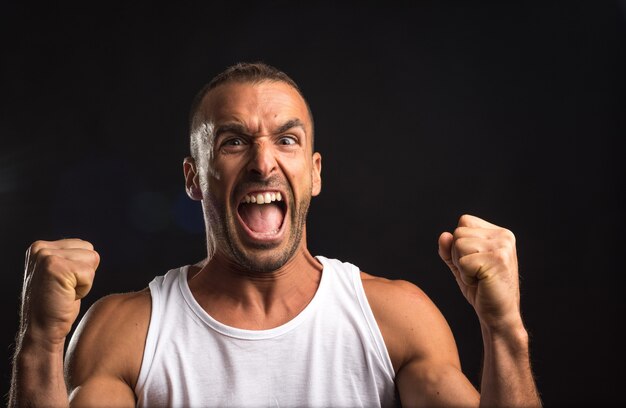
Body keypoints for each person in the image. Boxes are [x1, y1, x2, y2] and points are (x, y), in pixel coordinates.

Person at [9, 62, 541, 407]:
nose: (264, 162)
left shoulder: (394, 320)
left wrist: (504, 332)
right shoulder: (127, 333)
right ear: (194, 178)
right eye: (234, 142)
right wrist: (39, 342)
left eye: (286, 140)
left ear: (314, 173)